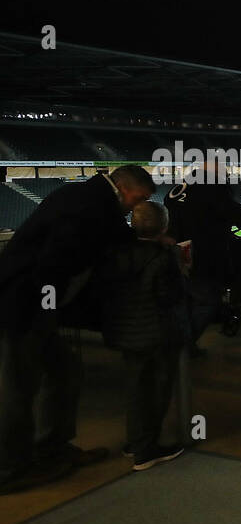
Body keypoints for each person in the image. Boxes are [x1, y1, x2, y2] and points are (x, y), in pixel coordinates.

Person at [0, 165, 156, 494]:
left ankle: (52, 447)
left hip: (30, 303)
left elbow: (111, 231)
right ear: (126, 189)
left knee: (64, 371)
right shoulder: (90, 204)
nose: (135, 207)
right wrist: (45, 312)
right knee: (18, 386)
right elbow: (51, 264)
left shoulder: (92, 200)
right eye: (138, 199)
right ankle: (10, 468)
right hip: (20, 306)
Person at [101, 202, 188, 471]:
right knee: (157, 391)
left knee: (137, 389)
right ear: (163, 226)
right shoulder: (163, 258)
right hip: (156, 332)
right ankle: (146, 450)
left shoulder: (118, 253)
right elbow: (170, 296)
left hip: (127, 330)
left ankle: (136, 442)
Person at [165, 159, 241, 355]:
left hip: (177, 254)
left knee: (188, 301)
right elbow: (240, 216)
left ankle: (182, 343)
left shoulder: (177, 189)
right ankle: (180, 348)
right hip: (205, 256)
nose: (227, 178)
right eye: (225, 174)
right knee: (208, 300)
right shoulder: (213, 188)